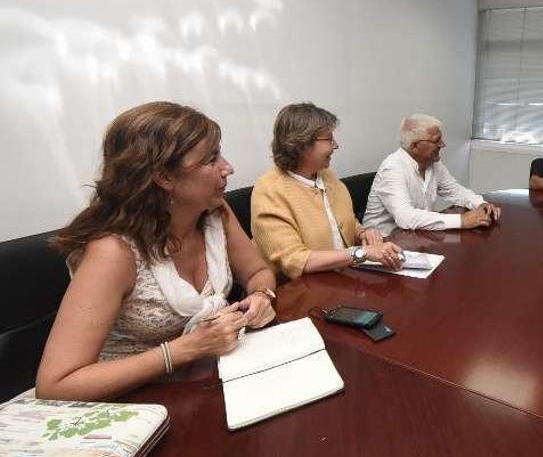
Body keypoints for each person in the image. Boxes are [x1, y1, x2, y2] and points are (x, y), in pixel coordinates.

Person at [36, 102, 277, 401]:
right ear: (164, 177)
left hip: (196, 385)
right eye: (211, 159)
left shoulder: (214, 211)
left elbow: (258, 272)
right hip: (127, 405)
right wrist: (187, 349)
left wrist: (262, 296)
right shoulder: (114, 252)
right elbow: (55, 385)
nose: (228, 167)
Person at [251, 102, 403, 280]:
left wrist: (362, 232)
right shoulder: (269, 190)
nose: (336, 145)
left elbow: (346, 222)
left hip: (339, 279)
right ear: (301, 143)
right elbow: (294, 260)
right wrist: (360, 253)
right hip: (297, 293)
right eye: (329, 139)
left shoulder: (325, 175)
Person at [362, 113, 501, 236]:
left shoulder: (432, 163)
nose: (443, 144)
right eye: (436, 140)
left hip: (417, 236)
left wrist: (480, 204)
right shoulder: (393, 168)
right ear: (415, 146)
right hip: (384, 244)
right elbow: (406, 218)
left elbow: (454, 190)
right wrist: (462, 220)